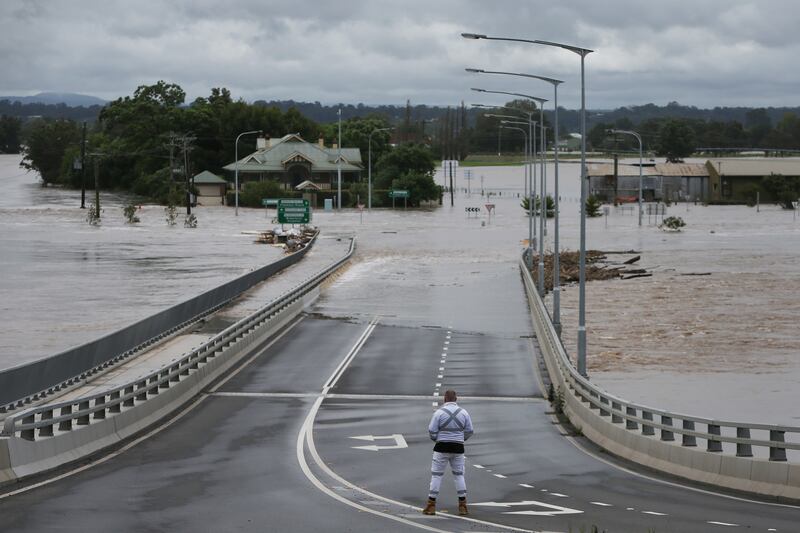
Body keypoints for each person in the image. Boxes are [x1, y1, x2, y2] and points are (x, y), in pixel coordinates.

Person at [423, 389, 474, 516]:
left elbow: (432, 431)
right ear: (456, 399)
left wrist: (437, 439)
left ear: (444, 399)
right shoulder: (464, 413)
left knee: (436, 476)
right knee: (459, 475)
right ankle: (462, 506)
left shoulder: (439, 413)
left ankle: (431, 505)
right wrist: (461, 439)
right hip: (458, 448)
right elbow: (470, 430)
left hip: (441, 447)